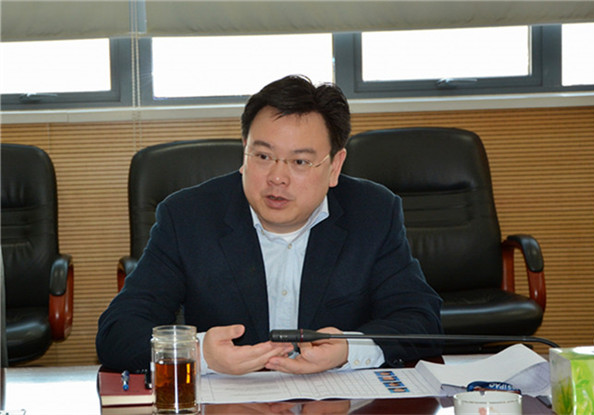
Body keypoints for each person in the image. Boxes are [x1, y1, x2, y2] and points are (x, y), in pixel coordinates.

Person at [96, 75, 443, 376]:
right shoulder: (188, 217)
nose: (277, 177)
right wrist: (198, 354)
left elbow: (419, 318)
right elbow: (118, 332)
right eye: (262, 156)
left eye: (300, 161)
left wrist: (349, 349)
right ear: (244, 152)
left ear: (335, 166)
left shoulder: (372, 213)